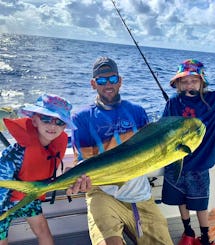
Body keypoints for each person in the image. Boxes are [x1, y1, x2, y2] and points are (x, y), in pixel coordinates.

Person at [71, 56, 173, 245]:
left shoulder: (137, 111)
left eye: (112, 79)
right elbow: (83, 162)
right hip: (102, 193)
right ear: (93, 84)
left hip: (140, 193)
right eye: (101, 80)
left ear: (120, 81)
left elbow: (151, 150)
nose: (107, 84)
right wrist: (79, 181)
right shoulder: (81, 117)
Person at [161, 59, 215, 245]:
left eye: (194, 80)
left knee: (200, 204)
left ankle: (205, 237)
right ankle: (188, 232)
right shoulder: (173, 103)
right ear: (178, 84)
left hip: (200, 166)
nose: (189, 84)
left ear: (202, 81)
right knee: (180, 200)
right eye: (185, 81)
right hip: (177, 163)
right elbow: (162, 131)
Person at [0, 93, 77, 245]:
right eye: (46, 119)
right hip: (3, 202)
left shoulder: (53, 148)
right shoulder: (15, 155)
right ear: (34, 121)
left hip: (29, 196)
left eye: (59, 122)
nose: (52, 126)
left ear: (65, 126)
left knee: (43, 230)